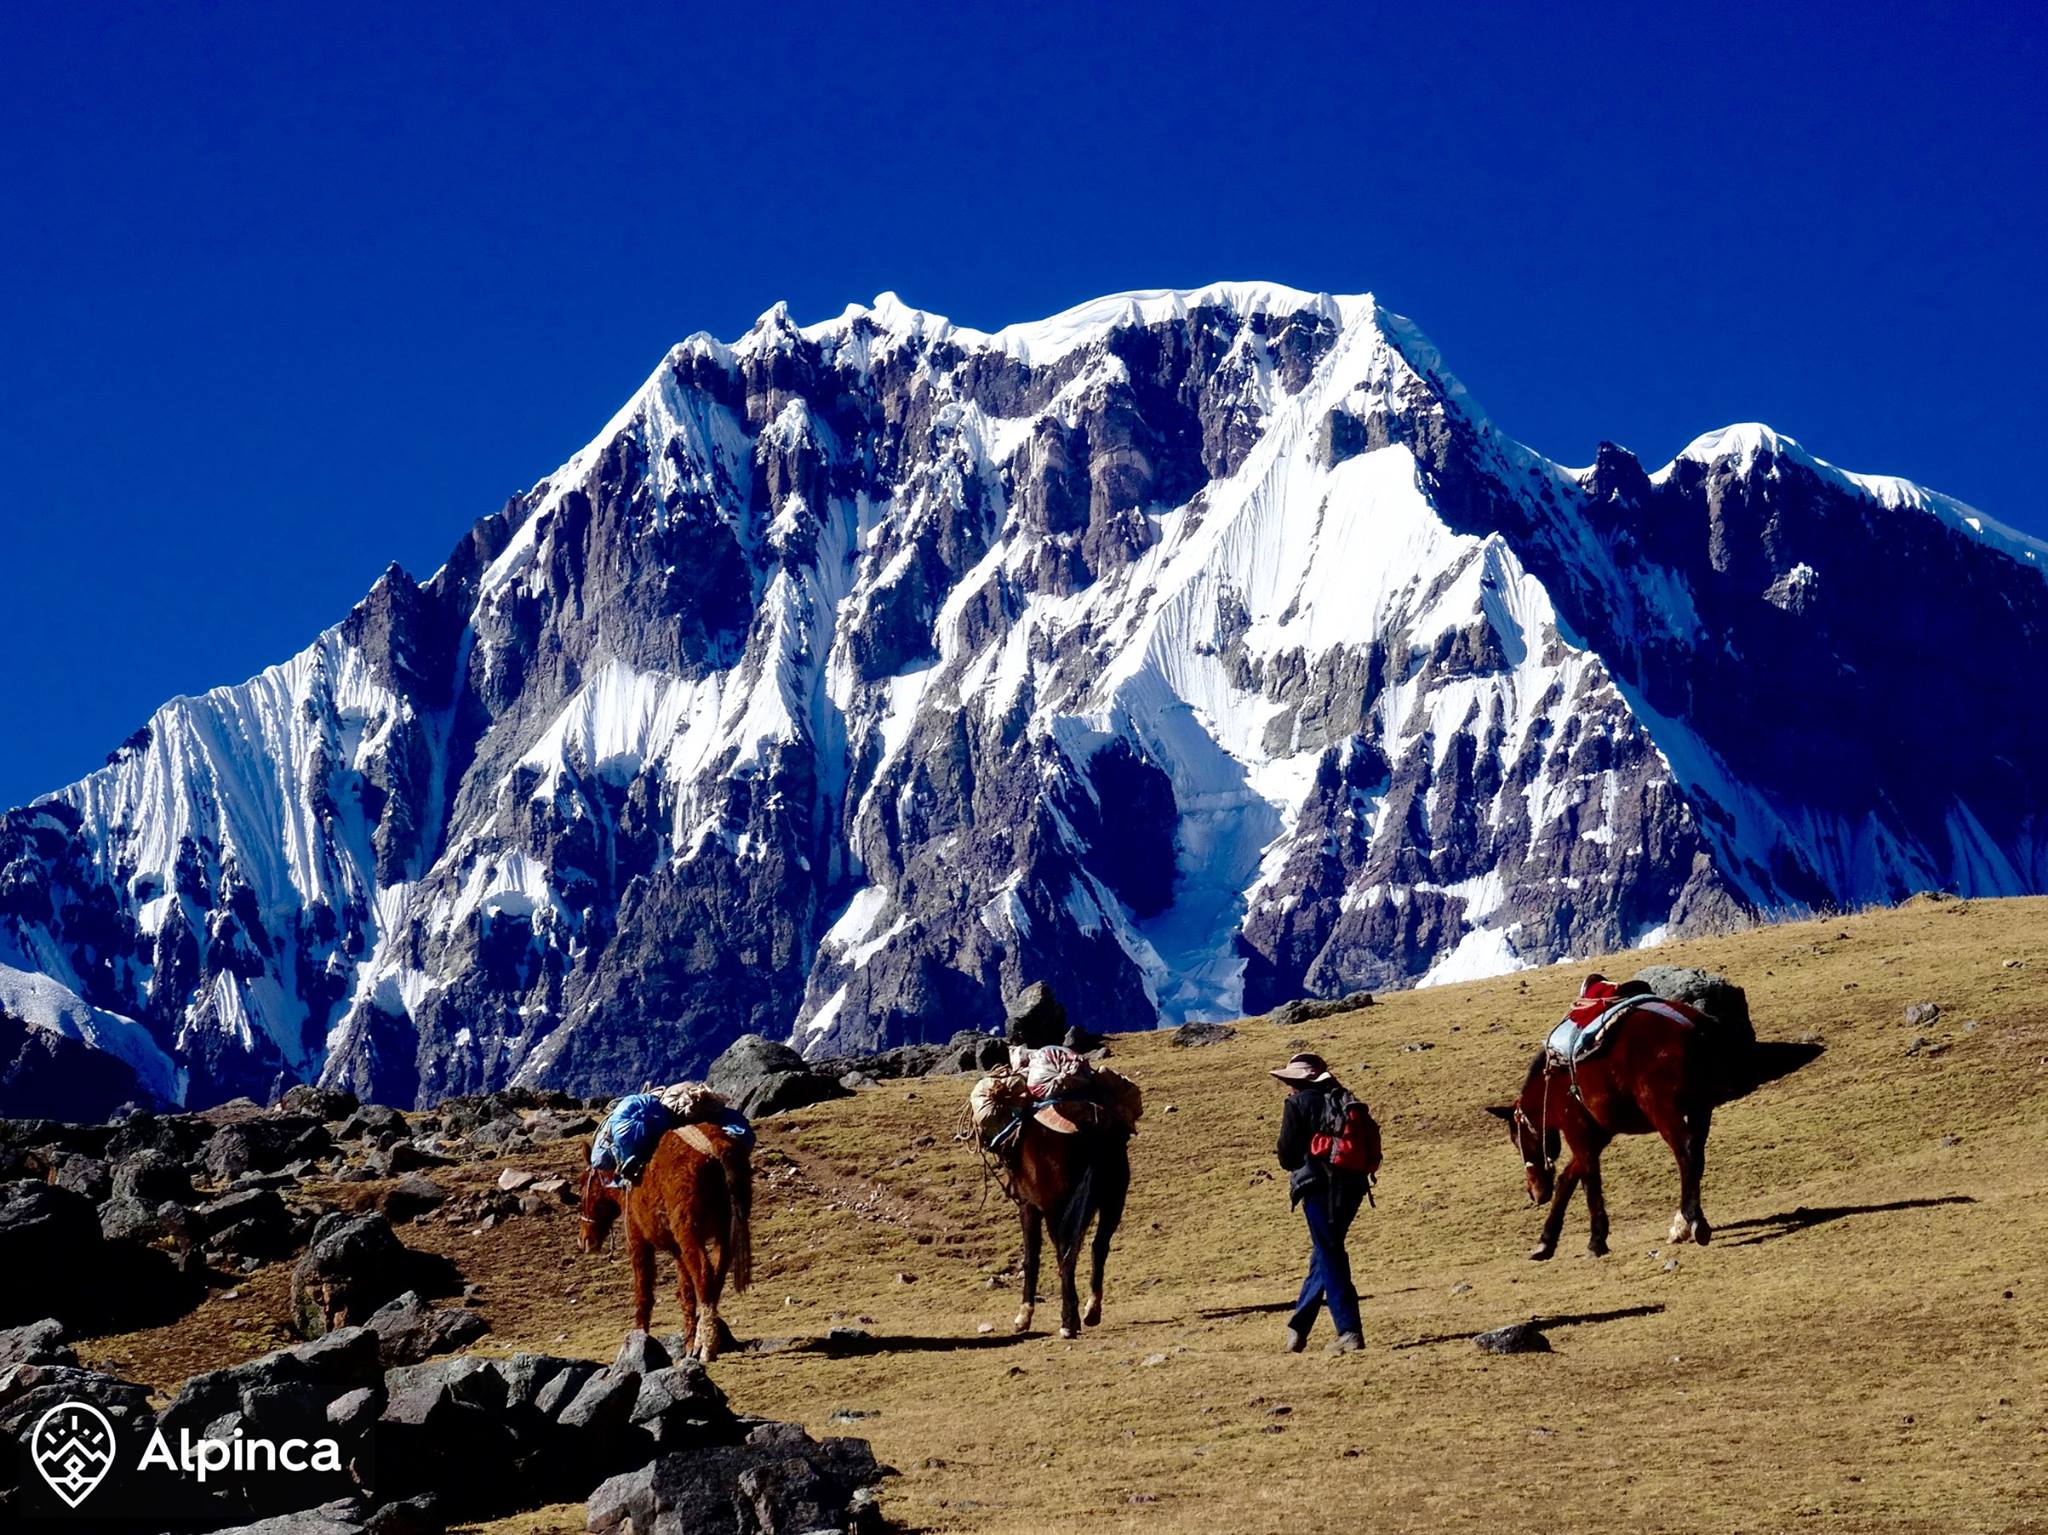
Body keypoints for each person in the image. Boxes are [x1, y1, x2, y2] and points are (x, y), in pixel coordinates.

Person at [1272, 1052, 1367, 1354]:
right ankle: (1299, 1327)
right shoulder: (1344, 1098)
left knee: (1330, 1252)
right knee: (1324, 1251)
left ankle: (1349, 1330)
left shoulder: (1297, 1104)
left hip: (1317, 1188)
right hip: (1354, 1185)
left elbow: (1286, 1156)